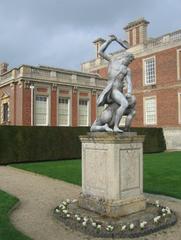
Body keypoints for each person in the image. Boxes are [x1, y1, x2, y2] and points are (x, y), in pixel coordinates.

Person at [90, 35, 135, 133]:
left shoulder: (127, 70)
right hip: (112, 89)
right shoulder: (113, 60)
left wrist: (129, 92)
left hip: (119, 91)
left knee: (129, 107)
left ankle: (110, 127)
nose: (130, 62)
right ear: (125, 57)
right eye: (130, 60)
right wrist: (110, 40)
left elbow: (130, 83)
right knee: (124, 103)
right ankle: (115, 127)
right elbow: (100, 52)